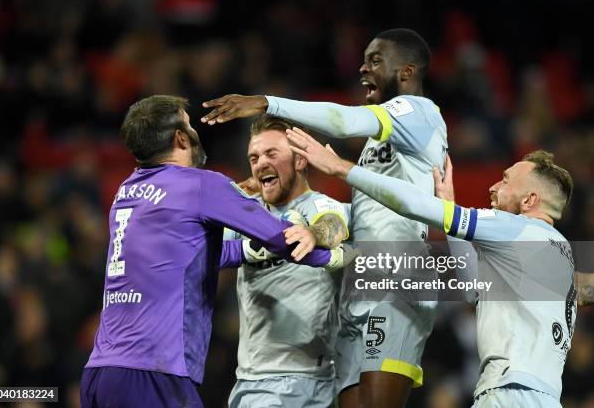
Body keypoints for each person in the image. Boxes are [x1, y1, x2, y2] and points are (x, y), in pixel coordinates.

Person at [202, 28, 446, 407]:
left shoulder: (419, 112)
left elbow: (343, 122)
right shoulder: (381, 145)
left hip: (396, 279)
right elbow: (356, 216)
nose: (363, 68)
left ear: (407, 71)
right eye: (364, 60)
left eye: (375, 60)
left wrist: (268, 103)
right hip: (360, 285)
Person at [79, 95, 347, 408]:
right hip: (154, 371)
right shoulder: (200, 185)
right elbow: (282, 240)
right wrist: (336, 256)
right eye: (190, 125)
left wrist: (247, 250)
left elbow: (190, 257)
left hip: (100, 372)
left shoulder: (126, 193)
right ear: (180, 137)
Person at [286, 126, 576, 408]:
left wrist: (342, 169)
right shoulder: (560, 253)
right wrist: (449, 206)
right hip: (544, 396)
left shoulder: (516, 228)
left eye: (505, 180)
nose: (493, 186)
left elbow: (414, 204)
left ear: (529, 200)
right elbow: (474, 290)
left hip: (510, 393)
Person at [224, 115, 349, 407]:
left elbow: (334, 225)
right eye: (253, 157)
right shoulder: (246, 216)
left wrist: (312, 233)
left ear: (300, 161)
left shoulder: (316, 205)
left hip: (303, 381)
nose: (259, 163)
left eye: (271, 153)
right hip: (249, 380)